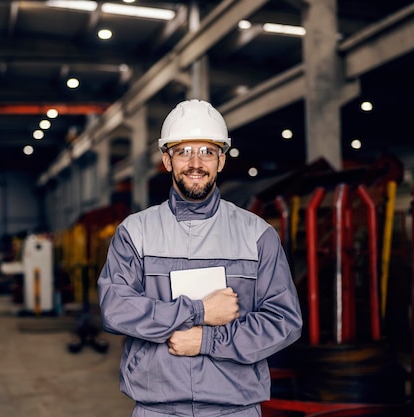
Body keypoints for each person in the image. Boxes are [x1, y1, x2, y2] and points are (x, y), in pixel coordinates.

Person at [97, 99, 303, 417]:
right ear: (167, 160)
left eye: (207, 151)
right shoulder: (136, 232)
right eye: (184, 151)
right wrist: (199, 310)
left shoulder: (257, 235)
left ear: (221, 160)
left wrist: (208, 340)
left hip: (235, 407)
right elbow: (116, 309)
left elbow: (284, 321)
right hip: (157, 407)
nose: (196, 163)